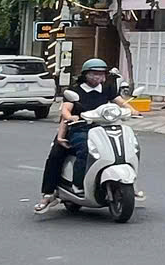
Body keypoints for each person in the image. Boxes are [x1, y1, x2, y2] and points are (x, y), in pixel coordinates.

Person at [38, 58, 124, 214]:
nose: (98, 77)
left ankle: (124, 183)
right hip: (78, 128)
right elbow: (65, 110)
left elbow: (121, 102)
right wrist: (71, 117)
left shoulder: (107, 89)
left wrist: (134, 110)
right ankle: (54, 192)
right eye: (94, 74)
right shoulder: (75, 91)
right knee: (61, 154)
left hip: (102, 129)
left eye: (101, 74)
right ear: (85, 75)